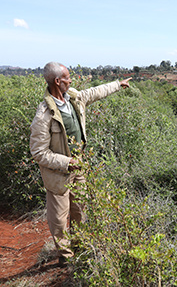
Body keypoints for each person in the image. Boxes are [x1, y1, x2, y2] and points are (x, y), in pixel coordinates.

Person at [30, 62, 132, 267]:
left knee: (80, 210)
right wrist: (67, 163)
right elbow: (39, 152)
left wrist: (117, 85)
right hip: (59, 174)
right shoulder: (44, 116)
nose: (70, 80)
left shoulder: (74, 98)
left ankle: (81, 246)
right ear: (57, 81)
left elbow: (94, 92)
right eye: (67, 77)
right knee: (59, 219)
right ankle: (65, 257)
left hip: (80, 169)